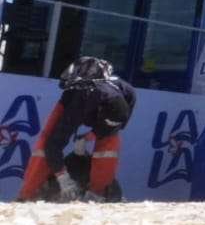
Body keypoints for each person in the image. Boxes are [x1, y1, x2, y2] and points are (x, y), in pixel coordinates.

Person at [17, 57, 135, 202]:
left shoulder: (122, 97)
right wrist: (63, 177)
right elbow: (53, 144)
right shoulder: (75, 97)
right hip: (81, 105)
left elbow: (115, 123)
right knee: (47, 141)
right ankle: (28, 193)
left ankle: (97, 193)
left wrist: (92, 135)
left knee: (108, 145)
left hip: (110, 113)